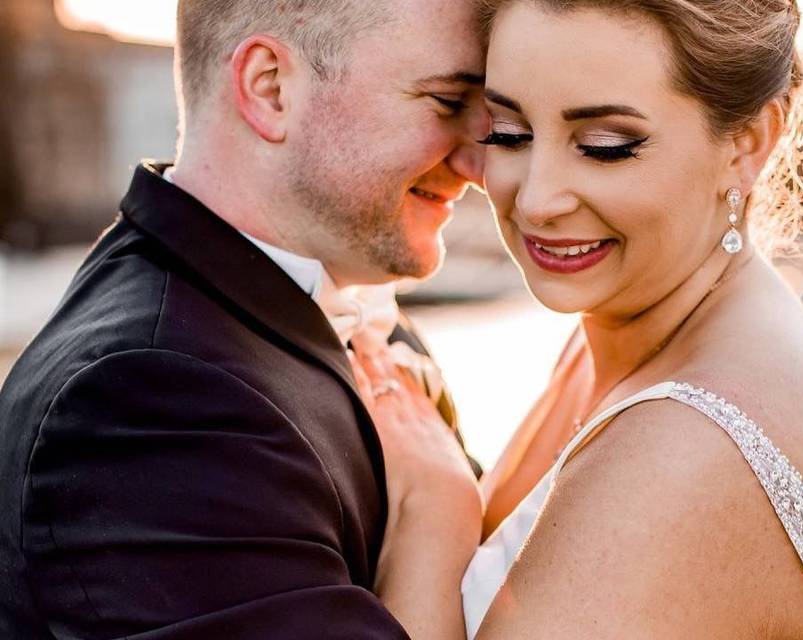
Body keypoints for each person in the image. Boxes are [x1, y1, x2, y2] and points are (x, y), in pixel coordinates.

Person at [354, 0, 803, 638]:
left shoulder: (691, 447)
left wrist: (431, 515)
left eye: (605, 147)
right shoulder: (626, 330)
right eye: (508, 132)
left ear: (748, 143)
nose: (537, 198)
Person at [0, 0, 489, 637]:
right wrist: (435, 515)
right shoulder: (147, 398)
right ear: (270, 87)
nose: (480, 166)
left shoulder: (352, 321)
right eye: (448, 102)